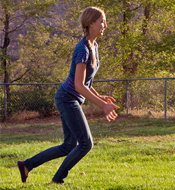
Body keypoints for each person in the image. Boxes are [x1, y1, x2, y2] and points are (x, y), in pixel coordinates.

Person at [17, 7, 119, 184]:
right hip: (67, 98)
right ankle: (57, 180)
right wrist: (102, 106)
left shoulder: (93, 46)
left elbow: (85, 82)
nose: (105, 25)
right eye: (102, 21)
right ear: (90, 23)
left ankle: (27, 165)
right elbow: (79, 86)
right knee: (86, 144)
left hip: (69, 98)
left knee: (69, 146)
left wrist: (101, 98)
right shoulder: (83, 49)